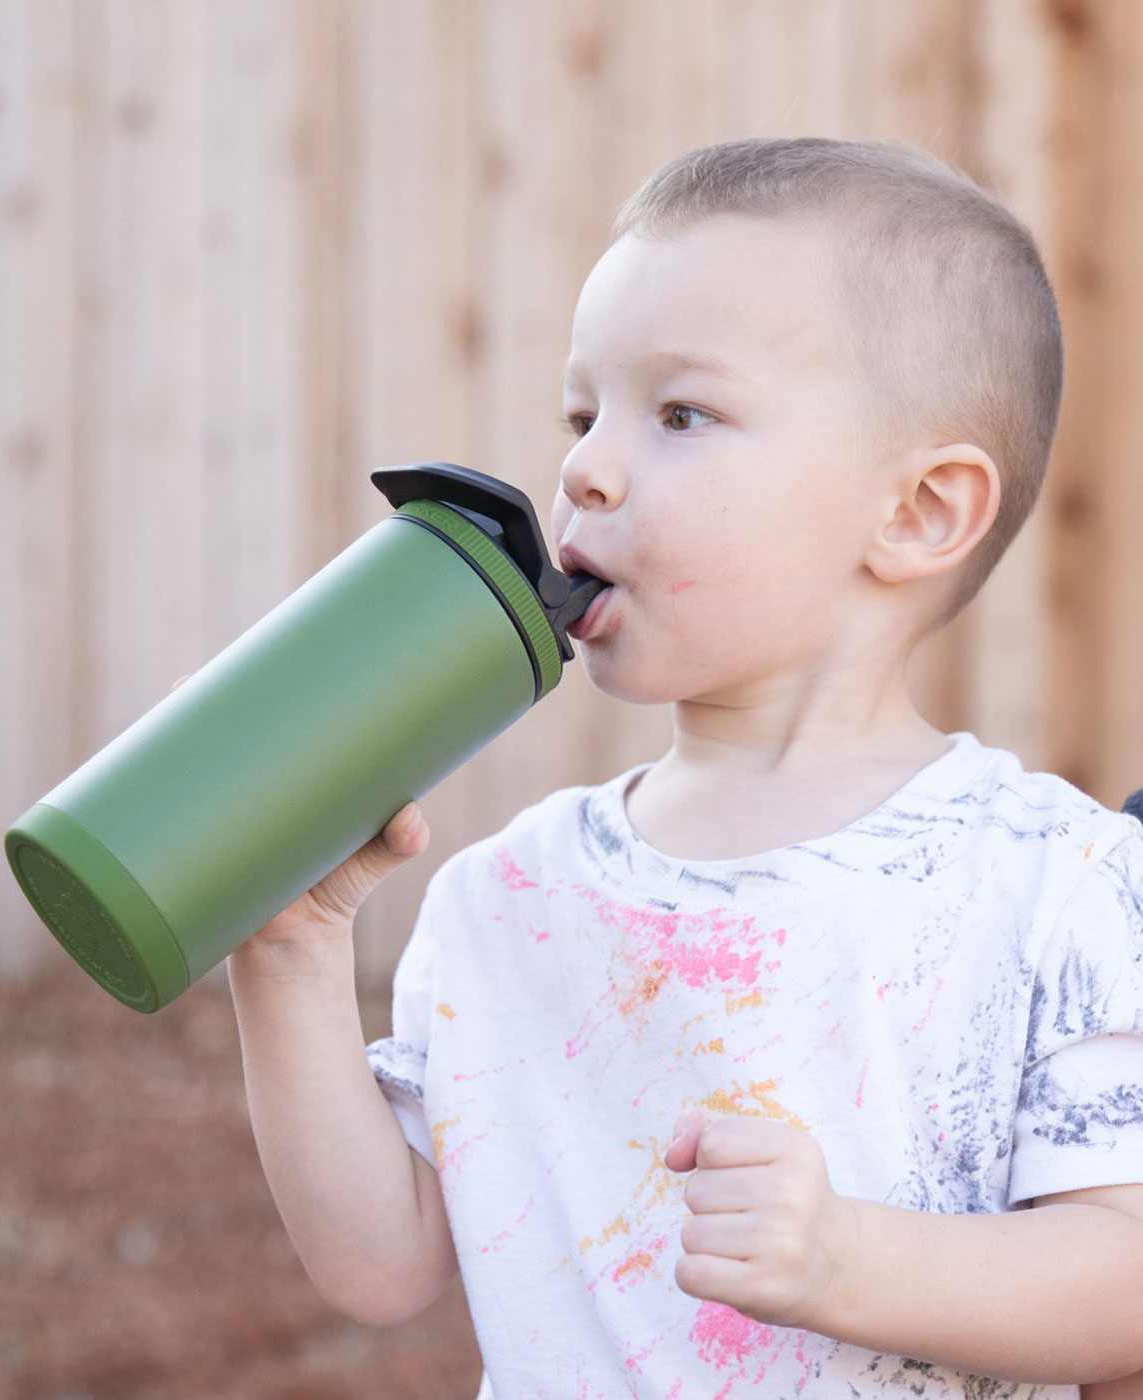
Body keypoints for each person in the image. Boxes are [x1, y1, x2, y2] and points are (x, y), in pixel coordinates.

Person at [227, 138, 1143, 1398]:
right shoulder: (509, 895)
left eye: (681, 414)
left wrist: (851, 1258)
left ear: (920, 511)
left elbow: (1123, 1281)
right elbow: (384, 1262)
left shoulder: (1056, 884)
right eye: (582, 412)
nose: (585, 466)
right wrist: (284, 958)